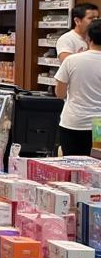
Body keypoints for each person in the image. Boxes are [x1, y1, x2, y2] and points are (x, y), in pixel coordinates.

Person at [55, 19, 101, 156]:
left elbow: (60, 93)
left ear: (88, 38)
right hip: (99, 125)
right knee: (97, 165)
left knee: (71, 166)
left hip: (73, 122)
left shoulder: (72, 60)